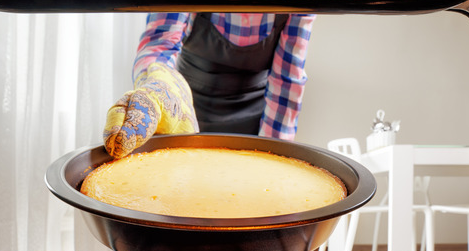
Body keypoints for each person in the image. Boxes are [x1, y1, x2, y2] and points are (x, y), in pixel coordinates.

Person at [103, 12, 316, 158]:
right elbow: (160, 45)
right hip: (187, 112)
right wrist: (158, 89)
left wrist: (274, 156)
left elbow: (286, 79)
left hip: (255, 120)